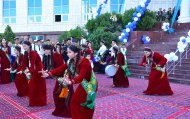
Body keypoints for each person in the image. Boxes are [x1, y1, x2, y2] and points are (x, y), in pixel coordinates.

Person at [42, 45, 98, 119]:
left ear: (76, 53)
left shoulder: (85, 61)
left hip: (90, 84)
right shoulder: (70, 61)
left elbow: (81, 76)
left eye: (70, 52)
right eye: (67, 52)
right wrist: (49, 73)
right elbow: (61, 68)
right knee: (76, 102)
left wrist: (71, 81)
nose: (67, 54)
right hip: (83, 83)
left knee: (84, 103)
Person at [18, 40, 47, 106]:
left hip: (39, 70)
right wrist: (22, 70)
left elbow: (33, 63)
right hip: (34, 70)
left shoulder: (33, 53)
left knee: (36, 86)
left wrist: (30, 72)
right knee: (33, 86)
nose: (24, 47)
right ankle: (33, 102)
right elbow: (24, 63)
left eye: (25, 46)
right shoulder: (26, 53)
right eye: (23, 46)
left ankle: (39, 102)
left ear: (29, 46)